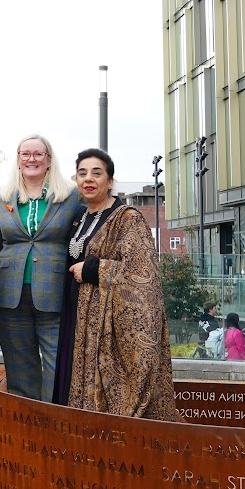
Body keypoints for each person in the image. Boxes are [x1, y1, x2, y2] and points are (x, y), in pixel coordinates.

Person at [53, 148, 178, 420]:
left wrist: (94, 269)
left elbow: (143, 274)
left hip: (105, 330)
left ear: (110, 181)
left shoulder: (127, 218)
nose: (89, 179)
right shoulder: (80, 218)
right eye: (82, 173)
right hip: (77, 320)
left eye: (97, 173)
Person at [0, 135, 80, 401]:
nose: (32, 159)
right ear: (18, 159)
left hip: (55, 293)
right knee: (19, 367)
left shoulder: (70, 196)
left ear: (49, 160)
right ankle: (27, 425)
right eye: (25, 154)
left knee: (58, 364)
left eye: (38, 154)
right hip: (9, 295)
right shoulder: (3, 197)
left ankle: (55, 421)